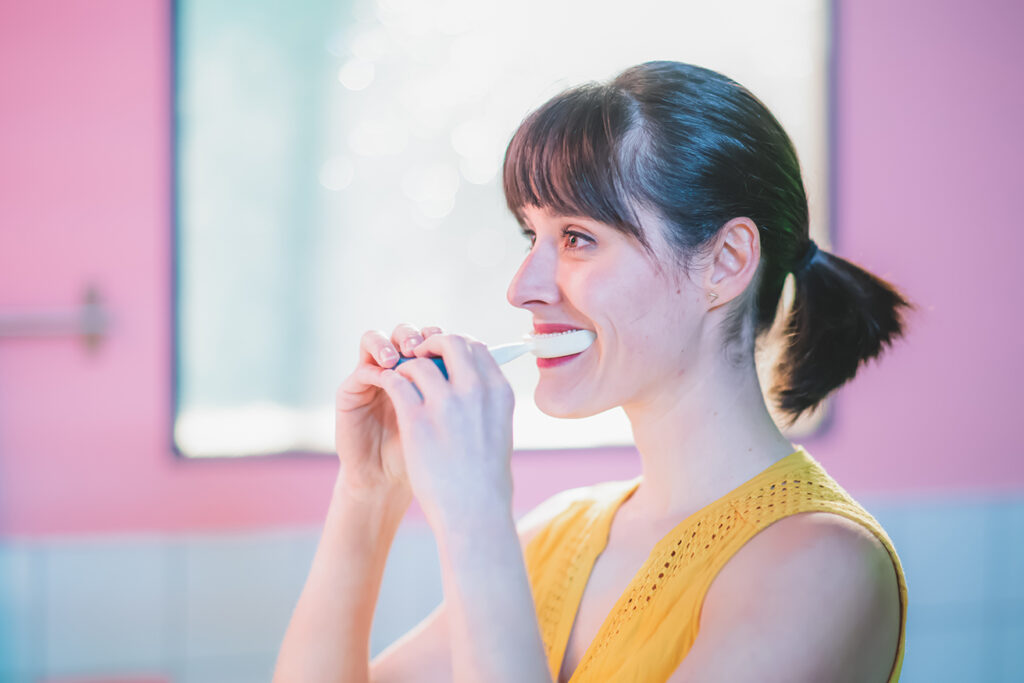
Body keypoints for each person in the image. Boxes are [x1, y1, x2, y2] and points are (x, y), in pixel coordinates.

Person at [274, 60, 913, 682]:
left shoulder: (822, 565)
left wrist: (474, 517)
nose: (522, 288)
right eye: (532, 237)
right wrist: (368, 494)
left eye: (578, 237)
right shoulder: (556, 536)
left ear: (725, 261)